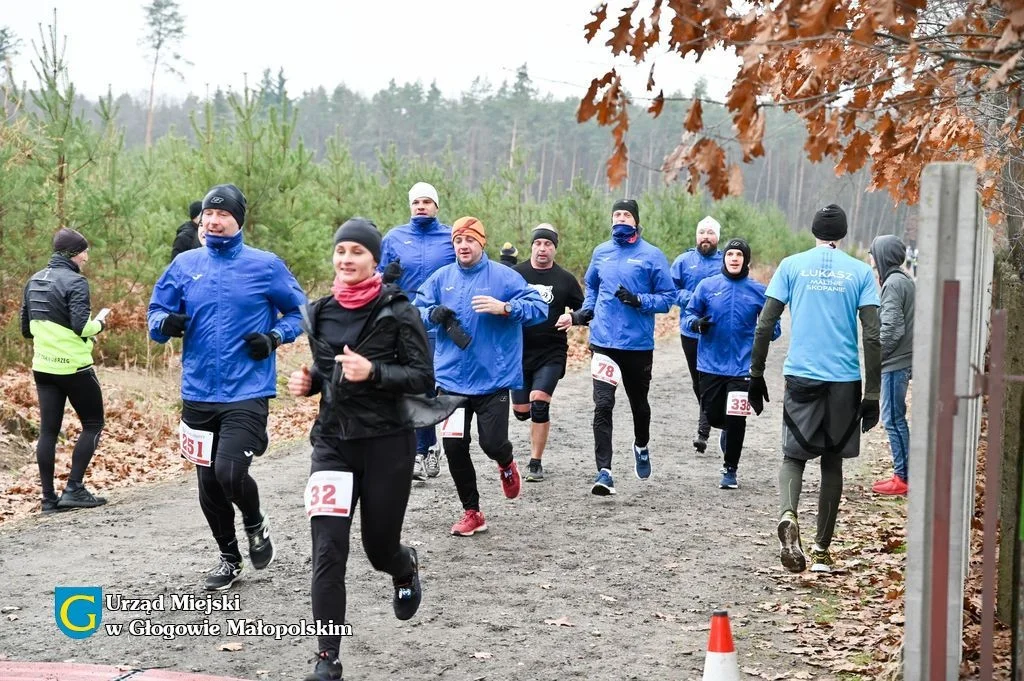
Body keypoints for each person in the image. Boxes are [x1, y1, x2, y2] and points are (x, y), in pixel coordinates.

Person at [288, 218, 454, 681]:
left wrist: (375, 373)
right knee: (328, 550)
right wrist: (311, 382)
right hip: (333, 444)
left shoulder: (399, 309)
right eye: (341, 251)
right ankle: (327, 657)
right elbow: (329, 371)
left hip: (386, 444)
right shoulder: (320, 312)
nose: (346, 259)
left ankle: (404, 568)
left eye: (357, 252)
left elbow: (423, 379)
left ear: (374, 259)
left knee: (378, 548)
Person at [148, 183, 307, 591]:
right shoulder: (184, 265)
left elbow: (299, 311)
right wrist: (165, 324)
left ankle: (255, 522)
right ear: (201, 220)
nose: (214, 220)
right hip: (198, 391)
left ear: (238, 221)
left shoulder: (265, 265)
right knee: (208, 483)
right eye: (208, 214)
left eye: (223, 214)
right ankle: (229, 557)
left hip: (247, 390)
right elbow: (156, 312)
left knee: (230, 472)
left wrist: (274, 337)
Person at [747, 204, 881, 574]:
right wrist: (873, 394)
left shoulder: (791, 266)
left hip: (801, 375)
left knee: (793, 457)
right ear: (843, 232)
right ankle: (822, 549)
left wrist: (755, 374)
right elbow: (872, 334)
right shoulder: (860, 273)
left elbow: (764, 324)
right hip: (844, 379)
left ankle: (788, 514)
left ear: (813, 231)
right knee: (832, 459)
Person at [415, 216, 547, 536]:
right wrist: (431, 314)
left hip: (492, 379)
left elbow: (538, 308)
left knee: (492, 442)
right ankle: (472, 512)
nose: (463, 245)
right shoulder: (441, 278)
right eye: (458, 240)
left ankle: (506, 463)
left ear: (481, 243)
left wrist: (505, 308)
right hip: (451, 382)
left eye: (469, 240)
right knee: (454, 447)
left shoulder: (504, 277)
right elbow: (415, 311)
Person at [580, 199, 676, 495]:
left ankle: (641, 444)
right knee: (603, 405)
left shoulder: (651, 255)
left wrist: (639, 300)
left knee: (639, 405)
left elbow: (668, 297)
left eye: (626, 214)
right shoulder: (601, 252)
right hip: (604, 342)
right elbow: (592, 285)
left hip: (637, 345)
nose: (620, 218)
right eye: (616, 214)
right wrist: (587, 311)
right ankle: (604, 472)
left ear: (635, 220)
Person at [20, 228, 111, 513]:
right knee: (94, 424)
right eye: (84, 251)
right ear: (73, 254)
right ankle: (74, 489)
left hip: (43, 368)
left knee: (48, 431)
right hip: (74, 367)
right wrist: (101, 324)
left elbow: (26, 330)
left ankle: (48, 498)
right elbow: (82, 327)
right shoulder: (76, 282)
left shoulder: (33, 280)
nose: (86, 257)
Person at [683, 238, 780, 489]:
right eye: (730, 254)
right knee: (714, 415)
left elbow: (775, 327)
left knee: (737, 419)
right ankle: (725, 428)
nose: (734, 258)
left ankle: (730, 469)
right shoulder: (707, 286)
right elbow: (688, 316)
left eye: (739, 255)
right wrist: (695, 324)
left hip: (742, 367)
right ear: (724, 258)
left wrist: (765, 331)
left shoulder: (758, 291)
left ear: (746, 260)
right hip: (710, 364)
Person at [378, 182, 455, 482]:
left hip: (440, 322)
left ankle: (430, 446)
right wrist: (386, 277)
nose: (421, 206)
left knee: (433, 385)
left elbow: (463, 267)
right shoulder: (394, 238)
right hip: (405, 320)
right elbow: (375, 276)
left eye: (427, 201)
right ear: (410, 206)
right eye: (416, 202)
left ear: (436, 206)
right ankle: (419, 452)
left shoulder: (450, 236)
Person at [511, 224, 585, 481]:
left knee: (539, 403)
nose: (542, 249)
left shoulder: (564, 280)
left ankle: (535, 462)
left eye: (548, 245)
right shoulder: (516, 274)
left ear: (554, 248)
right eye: (538, 244)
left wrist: (573, 318)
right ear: (531, 246)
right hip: (519, 353)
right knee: (522, 411)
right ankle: (525, 412)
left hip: (551, 351)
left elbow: (587, 310)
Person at [672, 216, 724, 453]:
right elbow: (670, 289)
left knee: (712, 379)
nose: (706, 236)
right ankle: (712, 418)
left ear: (717, 238)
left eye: (710, 233)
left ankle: (704, 430)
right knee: (698, 381)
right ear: (696, 236)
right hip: (690, 331)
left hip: (717, 332)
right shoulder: (683, 261)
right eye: (702, 232)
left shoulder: (726, 261)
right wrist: (692, 300)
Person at [869, 234, 915, 496]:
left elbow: (892, 329)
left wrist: (875, 357)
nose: (873, 260)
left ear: (883, 256)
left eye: (875, 254)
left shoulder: (894, 285)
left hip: (894, 363)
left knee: (893, 419)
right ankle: (903, 474)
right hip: (900, 361)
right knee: (895, 418)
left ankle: (903, 477)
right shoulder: (902, 280)